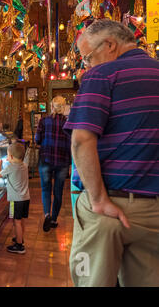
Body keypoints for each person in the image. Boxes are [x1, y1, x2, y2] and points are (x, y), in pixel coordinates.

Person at [64, 19, 159, 287]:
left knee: (89, 280)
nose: (87, 66)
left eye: (87, 58)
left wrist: (97, 200)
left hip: (108, 209)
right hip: (154, 210)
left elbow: (81, 141)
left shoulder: (102, 75)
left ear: (109, 45)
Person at [35, 95, 71, 232]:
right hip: (62, 162)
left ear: (51, 106)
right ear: (63, 107)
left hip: (46, 159)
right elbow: (70, 144)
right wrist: (71, 164)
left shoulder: (44, 121)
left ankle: (47, 215)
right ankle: (54, 219)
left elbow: (37, 139)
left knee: (45, 189)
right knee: (58, 192)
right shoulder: (68, 123)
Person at [0, 143, 30, 254]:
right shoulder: (24, 165)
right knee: (21, 221)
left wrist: (0, 164)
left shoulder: (10, 167)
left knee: (16, 222)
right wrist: (10, 160)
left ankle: (19, 246)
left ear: (10, 156)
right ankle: (19, 238)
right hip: (25, 198)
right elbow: (16, 166)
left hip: (16, 200)